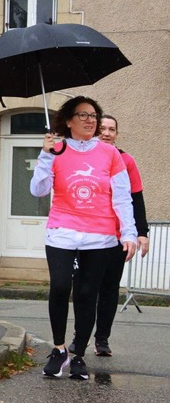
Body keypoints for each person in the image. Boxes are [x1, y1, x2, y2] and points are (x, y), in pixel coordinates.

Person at [30, 97, 137, 380]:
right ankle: (58, 349)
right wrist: (46, 155)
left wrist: (129, 232)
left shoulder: (110, 154)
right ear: (68, 121)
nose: (90, 120)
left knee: (87, 294)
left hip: (100, 235)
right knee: (60, 286)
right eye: (83, 115)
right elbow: (38, 190)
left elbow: (122, 197)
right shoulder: (55, 150)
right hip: (62, 231)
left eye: (94, 115)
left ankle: (78, 354)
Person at [85, 114, 149, 357]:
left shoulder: (126, 160)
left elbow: (136, 198)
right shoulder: (85, 157)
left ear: (117, 134)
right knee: (86, 288)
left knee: (110, 288)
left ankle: (102, 339)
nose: (106, 133)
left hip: (117, 235)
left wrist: (141, 232)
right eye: (102, 128)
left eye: (111, 129)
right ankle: (80, 336)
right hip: (89, 234)